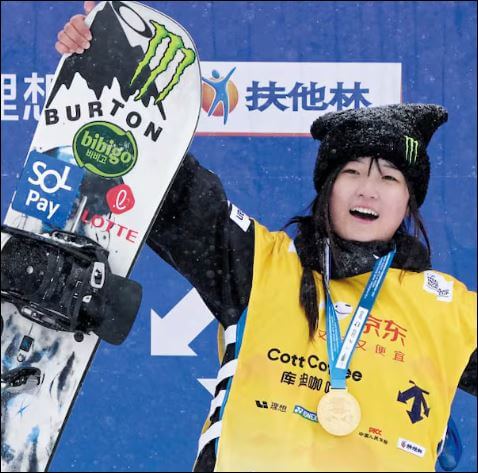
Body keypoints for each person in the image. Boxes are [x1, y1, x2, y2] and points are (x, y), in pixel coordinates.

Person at [56, 3, 477, 472]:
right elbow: (169, 186)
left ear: (408, 202)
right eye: (352, 172)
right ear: (326, 189)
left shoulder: (450, 312)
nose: (368, 190)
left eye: (390, 179)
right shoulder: (258, 264)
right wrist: (108, 67)